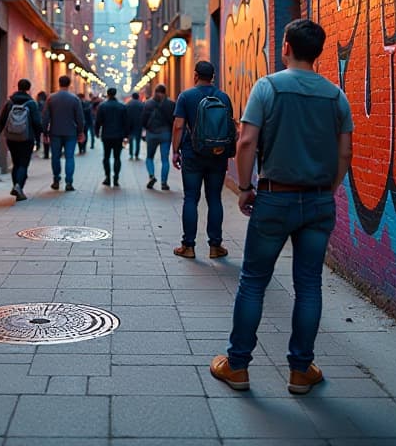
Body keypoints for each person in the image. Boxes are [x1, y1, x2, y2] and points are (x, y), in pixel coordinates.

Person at [209, 19, 354, 394]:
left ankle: (237, 366)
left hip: (275, 196)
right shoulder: (336, 96)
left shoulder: (268, 87)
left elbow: (246, 142)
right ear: (318, 50)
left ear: (285, 46)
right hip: (319, 200)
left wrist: (244, 188)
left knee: (254, 282)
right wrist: (329, 188)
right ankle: (300, 371)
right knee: (309, 285)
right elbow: (345, 151)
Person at [171, 60, 236, 260]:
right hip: (217, 155)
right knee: (214, 199)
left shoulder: (186, 96)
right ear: (213, 77)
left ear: (195, 75)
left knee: (191, 198)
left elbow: (179, 126)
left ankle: (188, 246)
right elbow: (230, 127)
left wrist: (175, 150)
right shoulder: (223, 97)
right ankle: (215, 247)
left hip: (192, 154)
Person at [0, 78, 42, 201]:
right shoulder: (31, 103)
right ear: (28, 88)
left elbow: (1, 120)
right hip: (27, 137)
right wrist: (39, 139)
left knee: (16, 163)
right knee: (23, 163)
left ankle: (15, 186)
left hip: (11, 137)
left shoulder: (10, 102)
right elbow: (37, 123)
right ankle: (19, 187)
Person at [44, 75, 84, 191]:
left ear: (59, 83)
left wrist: (45, 132)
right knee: (69, 157)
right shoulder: (75, 99)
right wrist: (80, 132)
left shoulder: (51, 98)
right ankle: (69, 182)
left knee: (55, 157)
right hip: (71, 132)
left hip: (55, 132)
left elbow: (45, 117)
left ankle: (56, 180)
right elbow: (80, 118)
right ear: (69, 84)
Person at [142, 84, 175, 190]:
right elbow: (173, 120)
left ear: (154, 91)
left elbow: (143, 119)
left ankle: (151, 175)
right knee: (165, 159)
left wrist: (145, 128)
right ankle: (164, 183)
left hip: (152, 133)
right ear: (165, 92)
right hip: (165, 133)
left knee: (149, 157)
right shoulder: (170, 104)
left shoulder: (148, 103)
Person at [95, 87, 129, 187]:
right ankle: (116, 178)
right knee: (117, 157)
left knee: (106, 157)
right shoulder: (122, 106)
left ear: (108, 94)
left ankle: (107, 177)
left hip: (106, 135)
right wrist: (126, 136)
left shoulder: (102, 106)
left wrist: (96, 132)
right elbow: (126, 123)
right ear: (115, 94)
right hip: (119, 136)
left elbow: (98, 121)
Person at [125, 92, 145, 160]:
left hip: (130, 125)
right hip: (139, 124)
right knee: (138, 140)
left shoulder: (128, 104)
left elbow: (126, 115)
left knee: (130, 140)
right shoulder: (141, 104)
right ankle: (137, 155)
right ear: (138, 97)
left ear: (132, 97)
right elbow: (144, 114)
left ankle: (131, 154)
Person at [36, 91, 50, 159]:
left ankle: (39, 147)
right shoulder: (48, 104)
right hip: (46, 123)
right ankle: (46, 153)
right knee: (46, 137)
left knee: (39, 137)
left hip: (39, 122)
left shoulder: (38, 104)